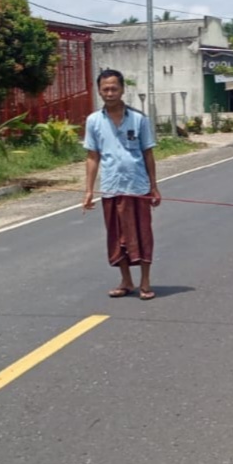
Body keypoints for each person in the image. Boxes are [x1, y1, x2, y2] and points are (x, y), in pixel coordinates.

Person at [83, 69, 162, 300]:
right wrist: (89, 190)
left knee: (142, 234)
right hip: (111, 188)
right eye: (105, 89)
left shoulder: (138, 119)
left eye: (114, 88)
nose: (109, 93)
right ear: (99, 90)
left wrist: (154, 186)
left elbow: (148, 154)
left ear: (122, 89)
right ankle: (126, 281)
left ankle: (145, 282)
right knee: (117, 237)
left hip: (138, 188)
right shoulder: (94, 121)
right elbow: (92, 156)